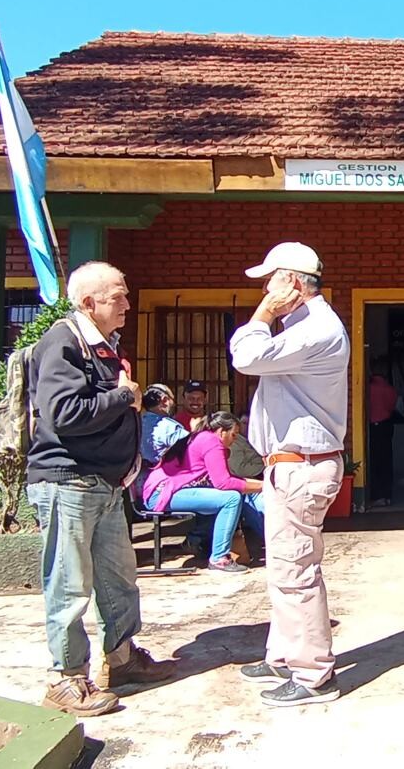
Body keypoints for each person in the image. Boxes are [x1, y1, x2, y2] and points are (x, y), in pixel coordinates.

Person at [25, 261, 177, 717]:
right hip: (68, 482)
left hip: (105, 484)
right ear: (89, 303)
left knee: (118, 578)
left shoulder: (103, 344)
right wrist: (124, 396)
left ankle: (123, 658)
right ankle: (66, 678)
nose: (128, 304)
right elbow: (64, 413)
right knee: (70, 584)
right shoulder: (63, 342)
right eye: (118, 297)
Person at [228, 241, 349, 708]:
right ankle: (283, 655)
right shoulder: (303, 327)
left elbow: (246, 357)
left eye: (271, 281)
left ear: (293, 283)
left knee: (295, 569)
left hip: (302, 467)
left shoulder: (316, 329)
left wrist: (262, 313)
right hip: (291, 466)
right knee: (284, 568)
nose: (265, 289)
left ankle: (313, 674)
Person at [143, 410, 265, 573]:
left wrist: (259, 485)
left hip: (168, 490)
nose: (234, 440)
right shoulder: (212, 442)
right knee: (232, 498)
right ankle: (219, 558)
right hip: (161, 493)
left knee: (238, 495)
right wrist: (263, 486)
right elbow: (224, 483)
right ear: (222, 432)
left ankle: (270, 541)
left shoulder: (204, 437)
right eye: (234, 435)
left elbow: (226, 478)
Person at [366, 360, 398, 508]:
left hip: (372, 427)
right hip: (386, 426)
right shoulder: (390, 389)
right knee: (386, 460)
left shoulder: (368, 388)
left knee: (373, 461)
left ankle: (376, 496)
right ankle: (387, 496)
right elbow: (392, 407)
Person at [138, 384, 184, 465]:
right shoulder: (170, 428)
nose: (173, 404)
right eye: (172, 400)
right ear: (165, 400)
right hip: (163, 474)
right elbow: (192, 448)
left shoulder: (136, 424)